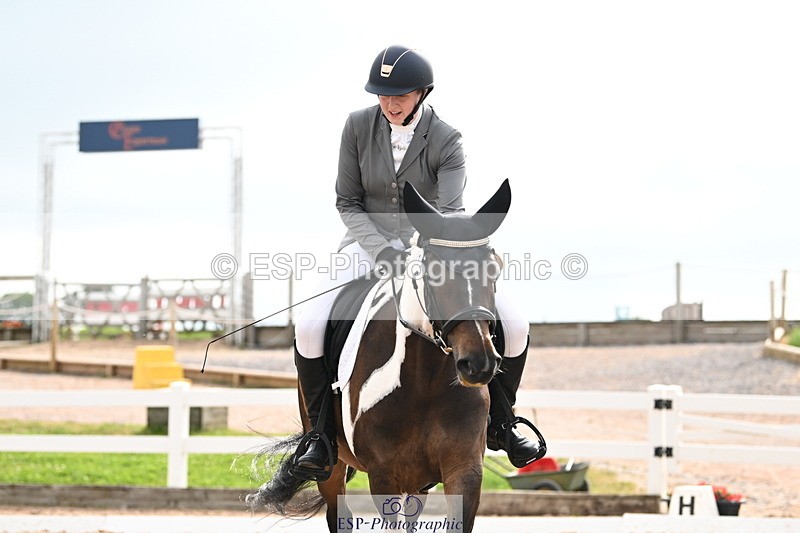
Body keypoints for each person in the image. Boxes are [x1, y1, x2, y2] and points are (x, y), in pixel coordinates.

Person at [291, 45, 541, 481]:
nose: (390, 103)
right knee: (310, 325)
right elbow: (347, 202)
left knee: (514, 322)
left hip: (431, 249)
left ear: (422, 93)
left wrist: (415, 250)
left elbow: (448, 212)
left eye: (400, 95)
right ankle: (320, 435)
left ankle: (504, 421)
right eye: (382, 95)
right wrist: (382, 250)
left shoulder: (447, 140)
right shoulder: (356, 127)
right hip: (364, 245)